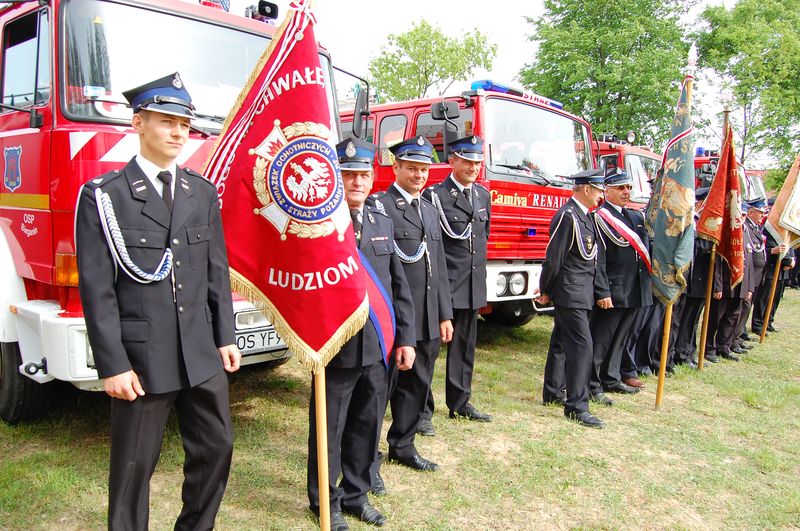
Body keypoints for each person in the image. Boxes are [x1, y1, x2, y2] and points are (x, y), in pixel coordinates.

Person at [75, 73, 241, 530]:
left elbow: (215, 271)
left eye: (184, 124)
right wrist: (112, 364)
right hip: (142, 359)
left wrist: (225, 335)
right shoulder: (105, 197)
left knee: (217, 447)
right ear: (139, 124)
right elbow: (97, 288)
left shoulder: (201, 192)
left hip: (200, 352)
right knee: (133, 469)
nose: (177, 133)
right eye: (166, 121)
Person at [306, 138, 416, 531]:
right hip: (334, 347)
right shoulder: (317, 223)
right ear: (336, 177)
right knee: (329, 429)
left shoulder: (382, 220)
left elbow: (398, 284)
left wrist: (405, 338)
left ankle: (356, 493)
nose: (357, 182)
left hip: (377, 347)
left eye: (363, 175)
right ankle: (325, 502)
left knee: (366, 425)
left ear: (373, 177)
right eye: (348, 174)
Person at [372, 136, 453, 473]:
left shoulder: (431, 210)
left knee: (418, 385)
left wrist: (445, 314)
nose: (419, 175)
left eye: (424, 169)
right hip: (392, 316)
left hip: (427, 316)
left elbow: (440, 265)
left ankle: (403, 445)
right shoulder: (381, 207)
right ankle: (367, 456)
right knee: (378, 391)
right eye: (413, 168)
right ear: (396, 167)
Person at [423, 136, 492, 422]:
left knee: (464, 348)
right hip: (444, 284)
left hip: (472, 284)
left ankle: (460, 402)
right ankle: (422, 410)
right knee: (428, 350)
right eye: (468, 161)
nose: (473, 167)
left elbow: (483, 237)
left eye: (477, 163)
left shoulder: (482, 195)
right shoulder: (435, 196)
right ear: (452, 160)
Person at [536, 168, 606, 428]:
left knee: (561, 342)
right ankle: (577, 406)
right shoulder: (568, 216)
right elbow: (554, 258)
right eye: (599, 190)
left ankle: (553, 391)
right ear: (586, 189)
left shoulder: (584, 216)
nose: (601, 195)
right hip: (570, 292)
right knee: (581, 347)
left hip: (581, 291)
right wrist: (546, 290)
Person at [589, 170, 651, 402]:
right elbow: (599, 258)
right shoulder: (600, 217)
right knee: (601, 339)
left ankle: (611, 377)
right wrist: (602, 290)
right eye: (620, 188)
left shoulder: (635, 218)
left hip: (634, 287)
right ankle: (592, 384)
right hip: (614, 289)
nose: (626, 192)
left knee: (621, 338)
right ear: (607, 190)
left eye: (628, 188)